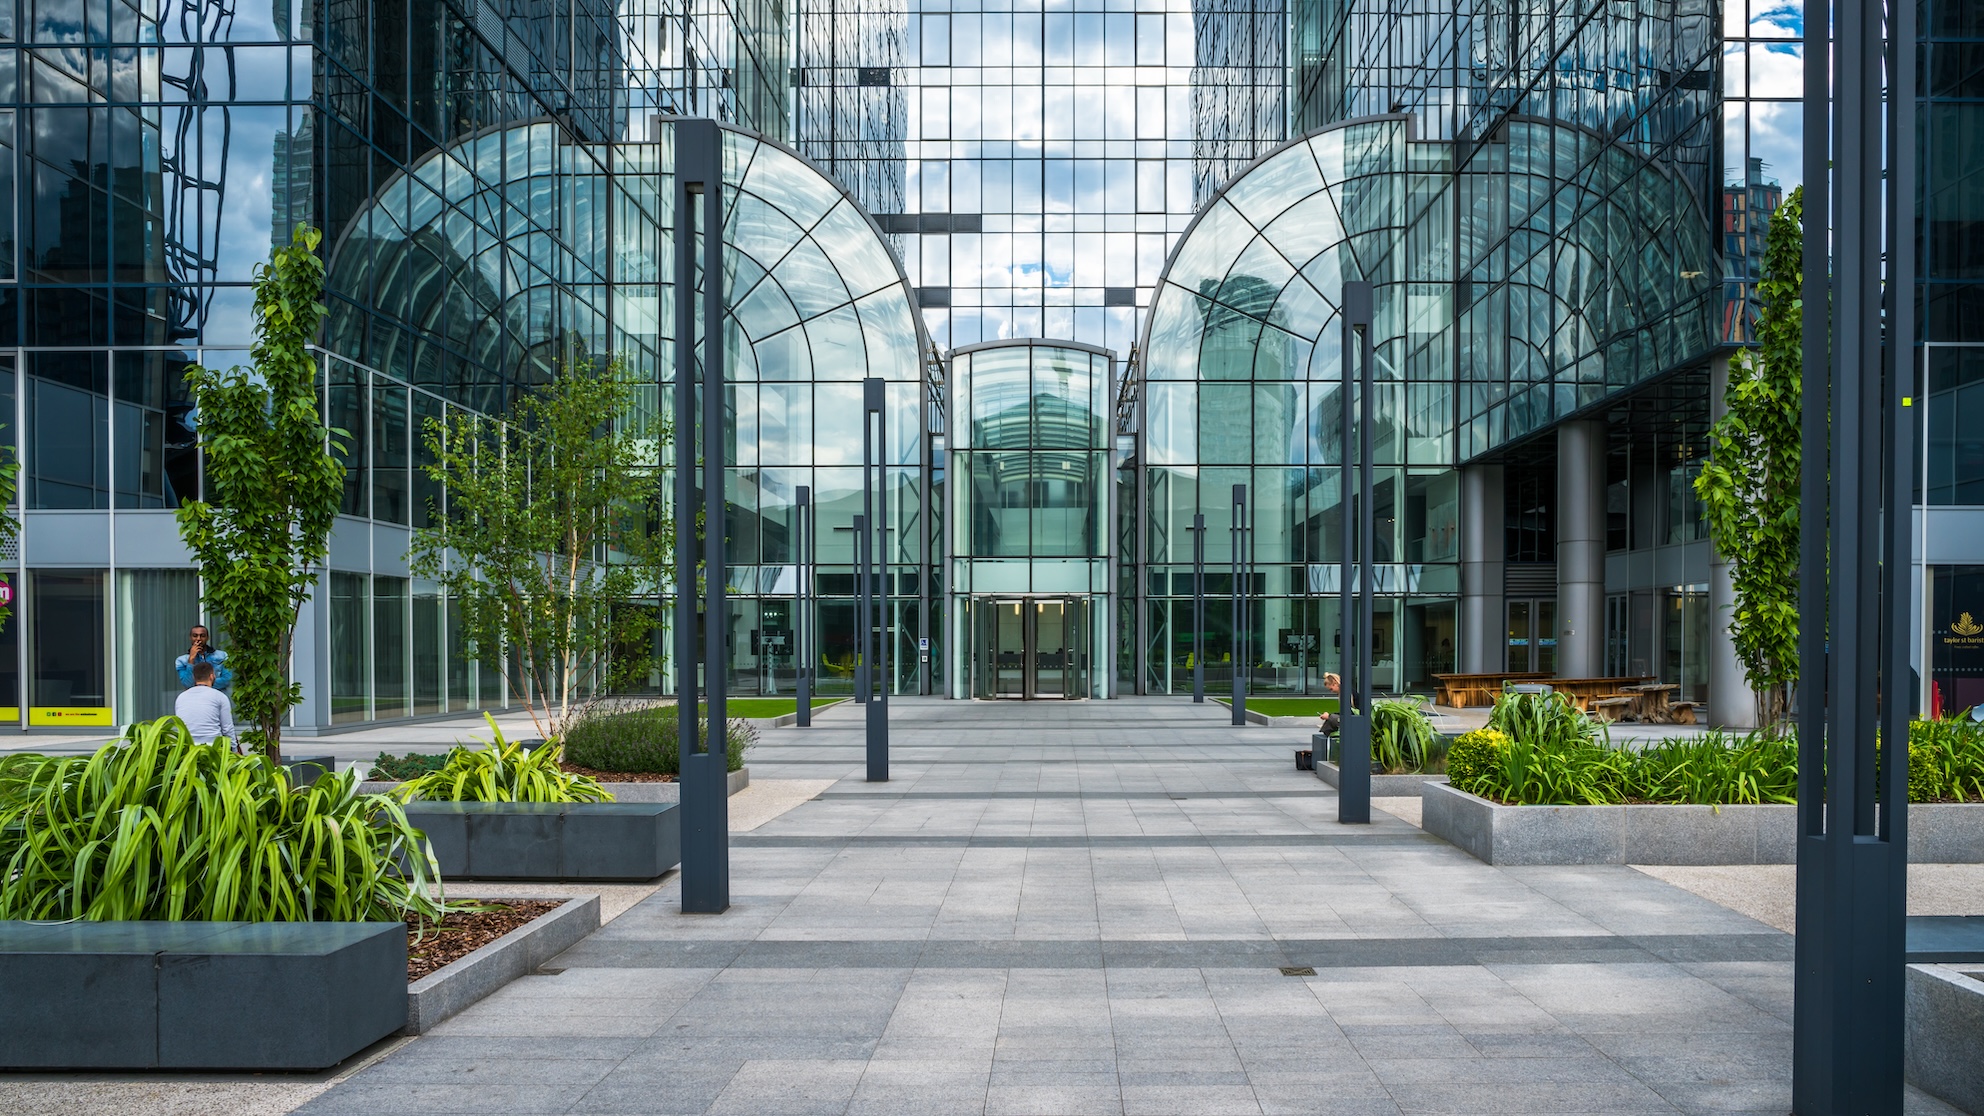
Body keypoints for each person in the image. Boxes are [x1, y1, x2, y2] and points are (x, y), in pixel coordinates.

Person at [175, 660, 238, 750]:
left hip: (188, 749)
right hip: (214, 749)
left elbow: (179, 726)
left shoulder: (181, 697)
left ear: (194, 677)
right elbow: (227, 729)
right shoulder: (220, 696)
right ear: (212, 676)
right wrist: (234, 751)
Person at [175, 624, 232, 692]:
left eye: (202, 636)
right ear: (190, 638)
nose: (198, 639)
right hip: (195, 699)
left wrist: (199, 684)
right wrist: (191, 660)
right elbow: (187, 684)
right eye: (195, 636)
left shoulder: (222, 655)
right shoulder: (181, 660)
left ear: (207, 638)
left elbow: (226, 680)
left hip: (217, 697)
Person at [1318, 671, 1343, 736]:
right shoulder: (1343, 694)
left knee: (1331, 720)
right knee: (1331, 719)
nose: (1332, 692)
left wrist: (1329, 716)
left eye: (1331, 689)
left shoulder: (1346, 694)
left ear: (1335, 684)